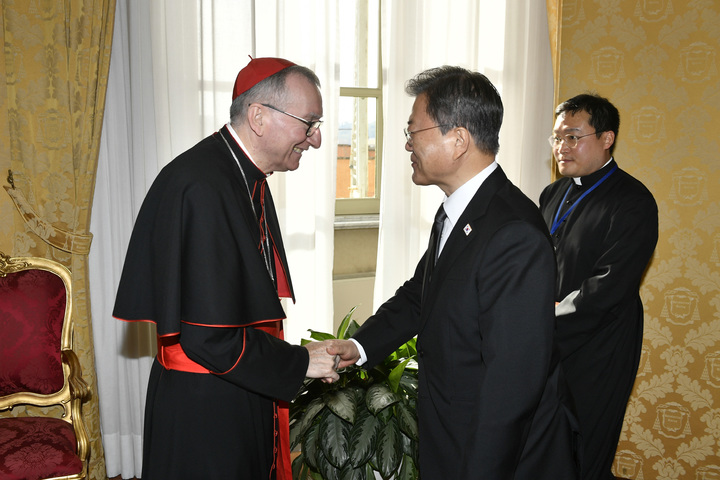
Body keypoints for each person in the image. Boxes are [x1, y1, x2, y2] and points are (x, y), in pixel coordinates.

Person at [328, 66, 580, 479]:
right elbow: (419, 296)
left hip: (493, 451)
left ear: (459, 139)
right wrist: (359, 347)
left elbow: (511, 386)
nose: (407, 144)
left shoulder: (512, 232)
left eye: (414, 132)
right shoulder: (459, 210)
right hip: (451, 430)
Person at [113, 57, 339, 480]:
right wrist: (298, 362)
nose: (317, 139)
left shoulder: (240, 175)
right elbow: (208, 338)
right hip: (206, 408)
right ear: (258, 117)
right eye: (308, 123)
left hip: (234, 386)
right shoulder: (202, 186)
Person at [539, 93, 658, 480]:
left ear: (606, 138)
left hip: (600, 345)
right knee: (543, 448)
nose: (562, 147)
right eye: (557, 138)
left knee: (584, 451)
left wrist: (547, 319)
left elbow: (610, 285)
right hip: (547, 338)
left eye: (573, 137)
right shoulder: (552, 194)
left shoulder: (633, 200)